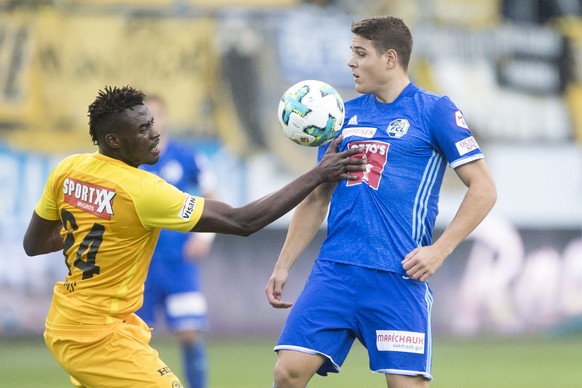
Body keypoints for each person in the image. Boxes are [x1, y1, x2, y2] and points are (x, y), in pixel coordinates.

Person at [22, 85, 366, 388]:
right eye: (143, 129)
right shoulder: (144, 191)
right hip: (99, 337)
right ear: (113, 140)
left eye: (152, 123)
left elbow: (34, 243)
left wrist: (100, 224)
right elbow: (243, 221)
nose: (155, 134)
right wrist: (319, 174)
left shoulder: (67, 170)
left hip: (70, 323)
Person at [265, 16, 497, 388]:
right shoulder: (341, 116)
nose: (350, 62)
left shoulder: (434, 110)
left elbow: (484, 188)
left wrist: (440, 250)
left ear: (390, 59)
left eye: (360, 53)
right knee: (287, 373)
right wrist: (283, 263)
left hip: (398, 275)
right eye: (351, 53)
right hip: (336, 271)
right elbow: (317, 196)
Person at [136, 95, 216, 388]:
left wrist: (205, 237)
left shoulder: (186, 156)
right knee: (134, 338)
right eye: (146, 116)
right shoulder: (129, 160)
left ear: (166, 118)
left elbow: (212, 193)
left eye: (157, 114)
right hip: (138, 265)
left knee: (190, 333)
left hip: (179, 260)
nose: (152, 121)